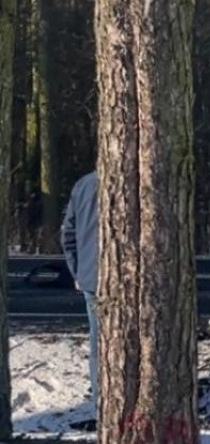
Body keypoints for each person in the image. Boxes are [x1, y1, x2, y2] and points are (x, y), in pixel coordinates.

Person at [60, 171, 99, 430]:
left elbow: (68, 234)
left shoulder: (83, 185)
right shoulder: (139, 181)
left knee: (99, 344)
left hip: (91, 277)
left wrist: (78, 272)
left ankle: (102, 407)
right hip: (127, 278)